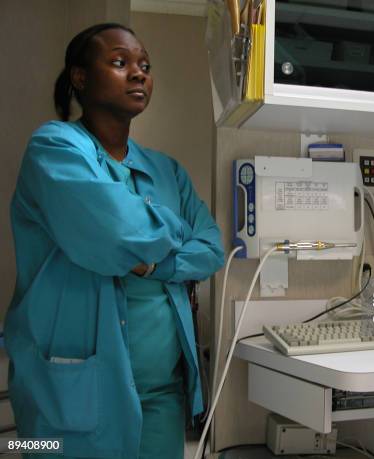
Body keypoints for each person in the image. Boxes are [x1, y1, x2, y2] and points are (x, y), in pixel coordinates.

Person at [5, 23, 225, 459]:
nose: (139, 74)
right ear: (80, 78)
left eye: (145, 65)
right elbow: (117, 235)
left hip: (162, 392)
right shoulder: (53, 147)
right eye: (121, 63)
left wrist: (151, 263)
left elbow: (213, 248)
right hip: (66, 394)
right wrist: (170, 233)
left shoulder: (167, 171)